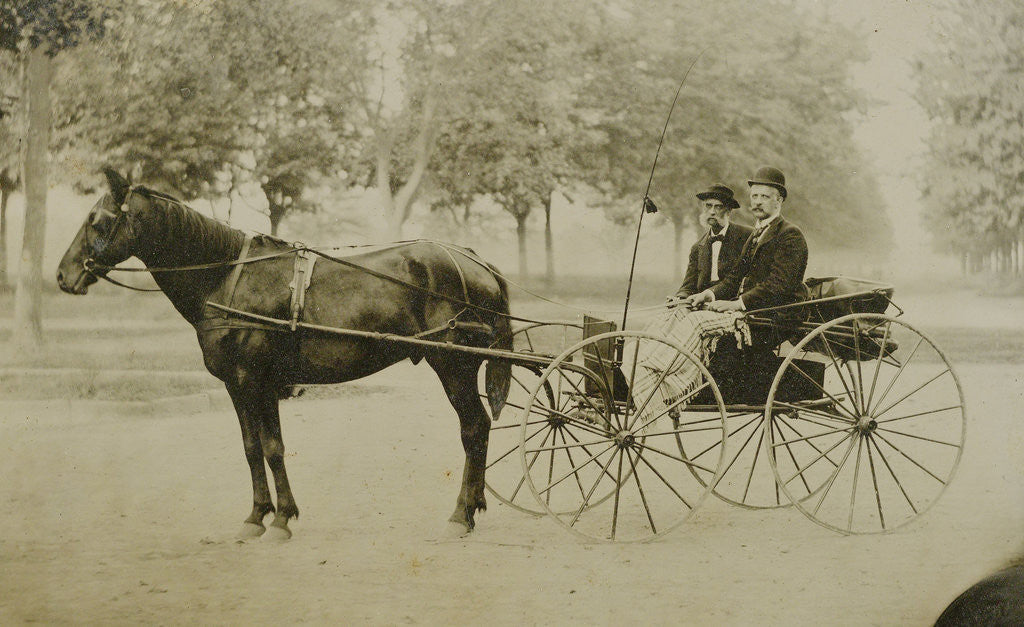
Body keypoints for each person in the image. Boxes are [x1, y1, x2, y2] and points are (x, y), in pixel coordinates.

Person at [684, 166, 808, 313]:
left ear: (778, 201)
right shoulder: (755, 234)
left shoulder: (790, 234)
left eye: (765, 197)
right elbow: (734, 278)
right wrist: (709, 294)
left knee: (699, 326)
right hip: (754, 313)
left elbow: (779, 285)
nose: (758, 202)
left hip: (776, 317)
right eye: (754, 196)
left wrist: (738, 304)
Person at [672, 184, 753, 301]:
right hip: (702, 304)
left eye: (718, 207)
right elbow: (688, 286)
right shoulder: (698, 247)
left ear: (729, 211)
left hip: (732, 304)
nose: (712, 212)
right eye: (708, 206)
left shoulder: (746, 236)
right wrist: (679, 298)